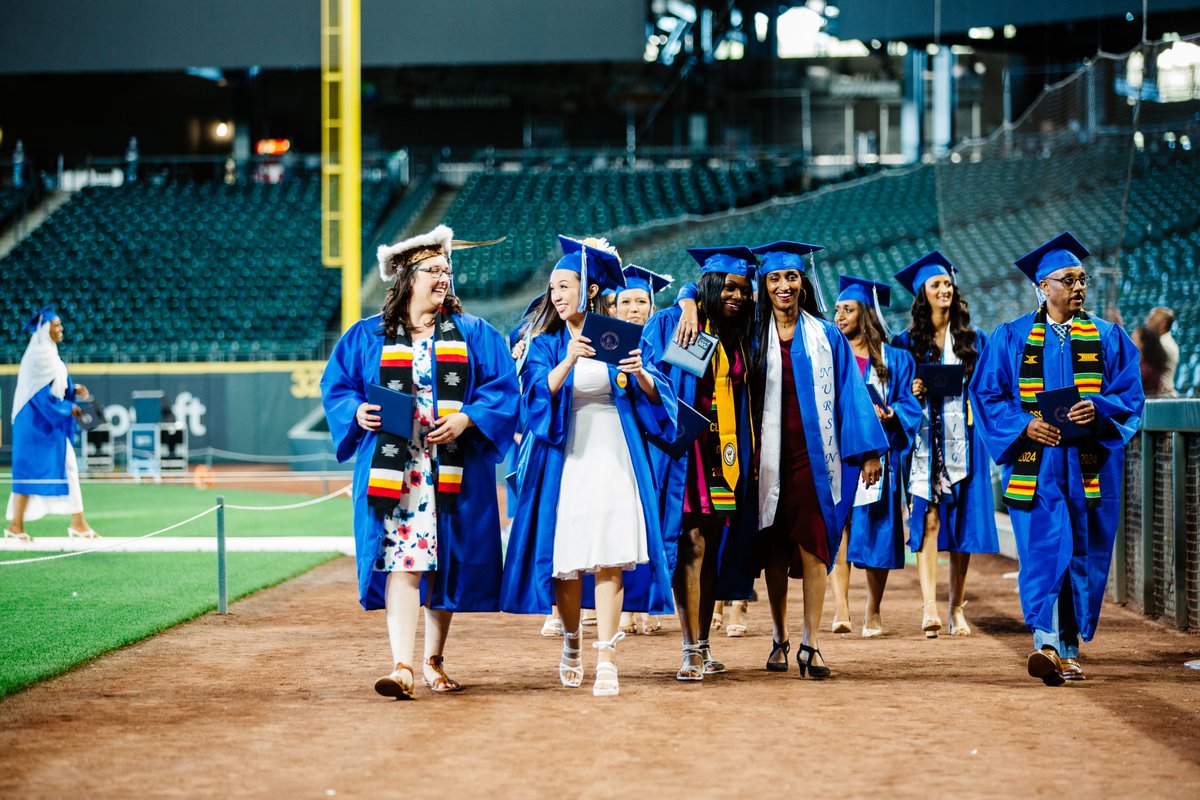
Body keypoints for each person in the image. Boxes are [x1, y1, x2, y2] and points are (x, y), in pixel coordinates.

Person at [320, 225, 518, 700]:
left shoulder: (474, 334)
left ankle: (434, 659)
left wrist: (469, 417)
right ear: (407, 278)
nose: (444, 277)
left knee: (444, 563)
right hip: (397, 468)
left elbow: (503, 388)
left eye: (447, 269)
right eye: (433, 270)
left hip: (450, 468)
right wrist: (356, 412)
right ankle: (402, 665)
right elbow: (339, 387)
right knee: (401, 561)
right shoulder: (367, 336)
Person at [501, 236, 677, 697]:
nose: (556, 296)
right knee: (566, 559)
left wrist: (640, 373)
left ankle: (607, 657)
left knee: (610, 553)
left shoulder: (620, 336)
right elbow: (533, 402)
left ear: (591, 288)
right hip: (565, 456)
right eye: (553, 288)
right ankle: (573, 641)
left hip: (614, 453)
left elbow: (660, 398)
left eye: (565, 286)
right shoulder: (545, 343)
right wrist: (569, 360)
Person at [971, 232, 1144, 684]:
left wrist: (1099, 407)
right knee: (1042, 553)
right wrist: (1025, 424)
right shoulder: (1010, 337)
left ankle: (1067, 648)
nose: (1079, 287)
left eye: (1082, 279)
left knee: (1078, 557)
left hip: (1086, 466)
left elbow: (1129, 394)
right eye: (1068, 280)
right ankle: (1046, 643)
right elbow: (988, 395)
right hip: (1037, 464)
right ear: (1043, 287)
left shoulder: (1109, 337)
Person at [751, 242, 886, 678]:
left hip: (815, 458)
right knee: (773, 551)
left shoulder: (826, 335)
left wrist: (867, 451)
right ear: (764, 285)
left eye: (791, 277)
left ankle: (811, 643)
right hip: (765, 459)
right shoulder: (753, 335)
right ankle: (778, 636)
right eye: (774, 278)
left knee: (814, 546)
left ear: (802, 282)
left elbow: (851, 393)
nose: (784, 285)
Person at [641, 245, 760, 681]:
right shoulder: (672, 323)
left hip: (725, 454)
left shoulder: (743, 333)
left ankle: (704, 644)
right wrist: (687, 298)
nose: (738, 296)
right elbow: (647, 384)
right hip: (683, 451)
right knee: (690, 543)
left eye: (744, 290)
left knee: (712, 549)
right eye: (729, 287)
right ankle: (690, 648)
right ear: (710, 285)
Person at [892, 251, 998, 638]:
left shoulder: (974, 340)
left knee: (962, 526)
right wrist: (912, 389)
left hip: (963, 443)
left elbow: (989, 390)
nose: (944, 289)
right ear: (923, 293)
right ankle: (929, 608)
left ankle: (957, 608)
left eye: (948, 284)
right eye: (936, 284)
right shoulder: (904, 343)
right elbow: (895, 392)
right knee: (929, 520)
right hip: (923, 444)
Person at [829, 277, 922, 638]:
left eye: (848, 310)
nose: (839, 316)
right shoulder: (832, 355)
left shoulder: (896, 358)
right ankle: (840, 609)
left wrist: (892, 413)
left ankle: (873, 610)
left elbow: (910, 403)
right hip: (838, 454)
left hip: (879, 455)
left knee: (878, 530)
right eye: (837, 310)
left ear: (866, 314)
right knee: (840, 530)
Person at [5, 307, 99, 542]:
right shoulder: (38, 355)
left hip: (48, 424)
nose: (60, 329)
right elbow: (38, 396)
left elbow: (53, 388)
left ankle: (78, 522)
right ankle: (16, 525)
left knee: (68, 467)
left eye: (60, 325)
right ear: (45, 329)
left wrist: (72, 390)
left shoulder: (50, 353)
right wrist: (69, 408)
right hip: (34, 423)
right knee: (26, 472)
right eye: (56, 325)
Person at [614, 262, 673, 636]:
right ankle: (622, 608)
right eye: (626, 302)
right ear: (613, 308)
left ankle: (647, 604)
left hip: (653, 446)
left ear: (652, 308)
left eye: (641, 301)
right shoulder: (605, 341)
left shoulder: (658, 345)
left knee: (649, 522)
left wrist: (642, 375)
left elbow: (665, 394)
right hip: (615, 443)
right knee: (620, 521)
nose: (633, 308)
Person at [1146, 306, 1178, 397]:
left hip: (1162, 397)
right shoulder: (1161, 341)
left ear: (1163, 323)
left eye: (1152, 318)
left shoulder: (1164, 345)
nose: (1148, 321)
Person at [1131, 325, 1168, 397]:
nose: (1130, 342)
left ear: (1142, 344)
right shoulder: (1143, 365)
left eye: (1133, 339)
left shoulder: (1145, 369)